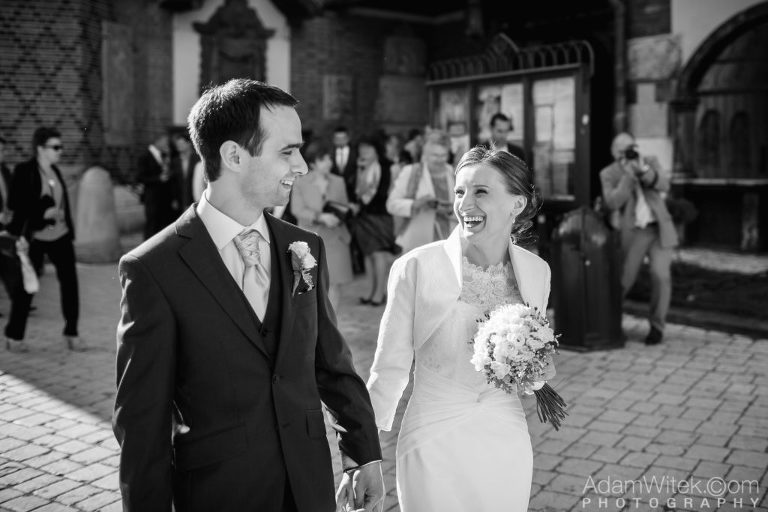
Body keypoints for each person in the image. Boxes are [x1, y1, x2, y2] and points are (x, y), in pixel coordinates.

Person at [113, 79, 384, 512]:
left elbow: (331, 363)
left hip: (308, 487)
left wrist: (363, 453)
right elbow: (142, 421)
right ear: (234, 156)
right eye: (287, 152)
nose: (302, 167)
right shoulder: (152, 269)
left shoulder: (305, 247)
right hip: (220, 493)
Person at [366, 146, 554, 511]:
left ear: (516, 204)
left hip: (505, 435)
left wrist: (537, 372)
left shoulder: (537, 271)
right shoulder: (416, 267)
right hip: (432, 436)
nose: (465, 204)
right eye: (459, 191)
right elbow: (389, 368)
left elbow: (525, 370)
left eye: (481, 192)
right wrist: (364, 457)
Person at [4, 127, 84, 352]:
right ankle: (14, 336)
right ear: (40, 149)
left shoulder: (55, 171)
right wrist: (42, 213)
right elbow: (16, 204)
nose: (60, 151)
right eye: (55, 147)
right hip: (36, 238)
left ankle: (71, 333)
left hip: (60, 235)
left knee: (70, 285)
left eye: (61, 146)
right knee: (27, 287)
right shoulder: (24, 171)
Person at [600, 132, 677, 345]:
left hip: (659, 229)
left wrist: (643, 171)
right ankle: (609, 322)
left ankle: (657, 327)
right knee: (624, 280)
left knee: (661, 275)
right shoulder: (608, 173)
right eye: (623, 149)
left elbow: (664, 184)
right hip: (634, 232)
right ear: (614, 152)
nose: (629, 152)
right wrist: (628, 176)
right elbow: (612, 202)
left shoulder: (649, 162)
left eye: (631, 147)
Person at [290, 142, 354, 310]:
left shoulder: (338, 181)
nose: (329, 162)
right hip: (311, 239)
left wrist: (344, 213)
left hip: (336, 237)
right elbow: (297, 210)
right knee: (312, 285)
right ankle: (315, 323)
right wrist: (320, 217)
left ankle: (330, 323)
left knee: (334, 284)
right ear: (313, 163)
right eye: (323, 159)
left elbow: (343, 207)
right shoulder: (300, 182)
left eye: (329, 158)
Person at [387, 130, 457, 253]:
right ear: (425, 154)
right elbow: (391, 204)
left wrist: (450, 210)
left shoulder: (455, 173)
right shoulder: (411, 172)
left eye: (443, 155)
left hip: (449, 243)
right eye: (435, 155)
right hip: (418, 245)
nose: (439, 160)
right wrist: (415, 204)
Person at [347, 138, 397, 306]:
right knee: (367, 254)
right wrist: (360, 170)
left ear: (376, 151)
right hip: (363, 216)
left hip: (380, 216)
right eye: (362, 149)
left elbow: (383, 192)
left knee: (378, 254)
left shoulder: (385, 167)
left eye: (368, 149)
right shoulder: (360, 167)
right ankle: (370, 291)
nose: (364, 153)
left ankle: (379, 293)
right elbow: (353, 190)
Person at [137, 133, 177, 239]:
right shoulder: (144, 156)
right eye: (165, 141)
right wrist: (158, 179)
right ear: (157, 141)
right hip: (152, 198)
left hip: (164, 198)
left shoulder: (165, 155)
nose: (167, 144)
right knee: (152, 225)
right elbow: (140, 177)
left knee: (162, 226)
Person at [170, 130, 200, 211]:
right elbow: (173, 182)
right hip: (180, 197)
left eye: (181, 144)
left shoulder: (198, 159)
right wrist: (174, 198)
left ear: (188, 144)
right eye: (177, 145)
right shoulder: (175, 161)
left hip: (195, 195)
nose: (179, 146)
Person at [330, 126, 357, 199]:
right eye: (337, 139)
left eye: (343, 138)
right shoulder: (330, 153)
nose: (340, 141)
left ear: (348, 138)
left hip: (352, 191)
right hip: (334, 191)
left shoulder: (356, 152)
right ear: (333, 139)